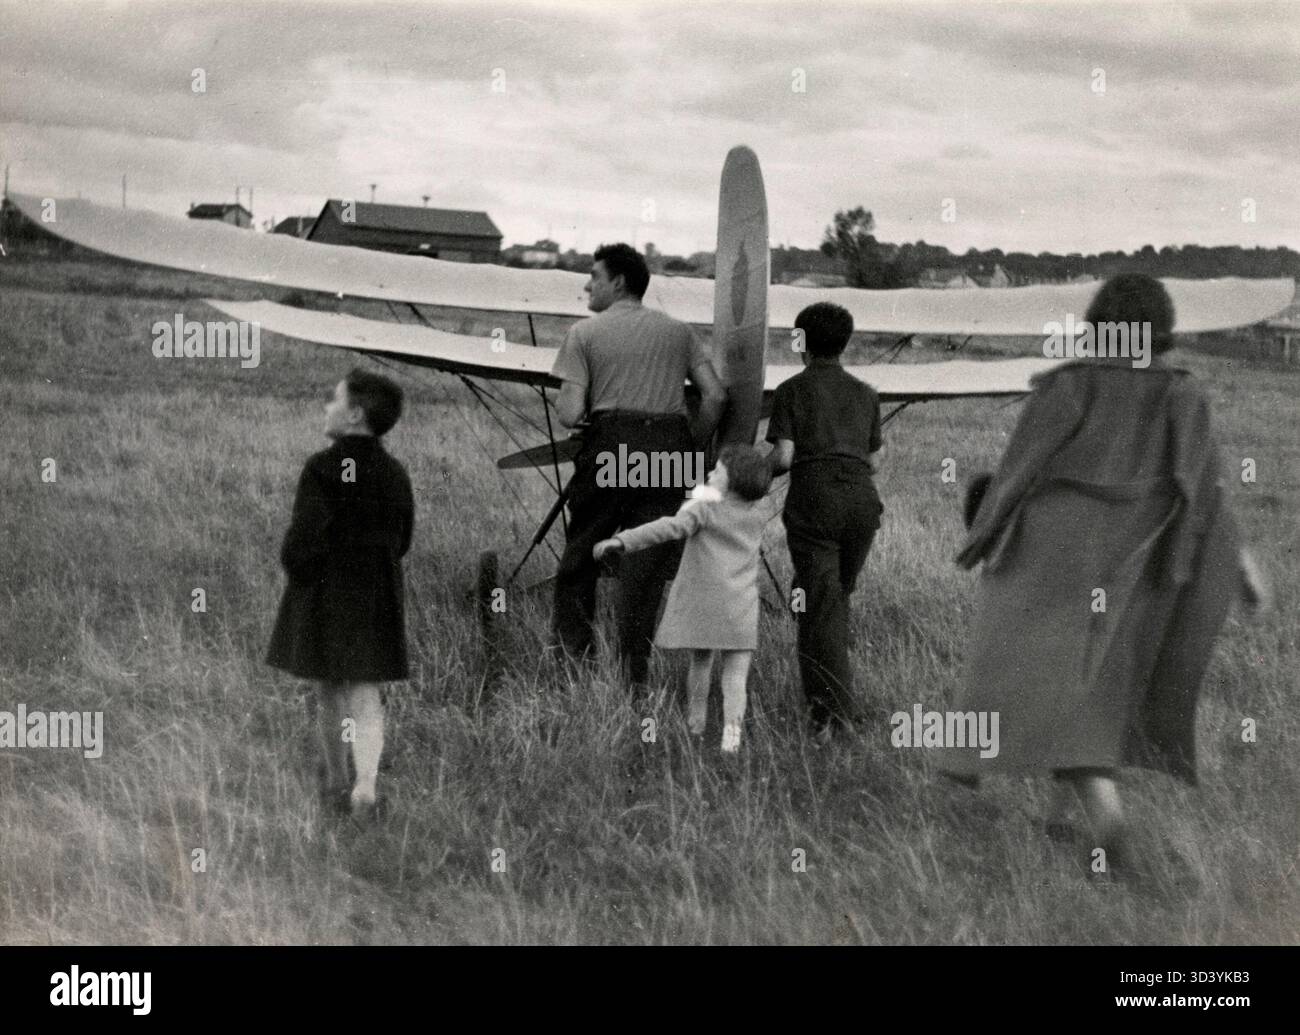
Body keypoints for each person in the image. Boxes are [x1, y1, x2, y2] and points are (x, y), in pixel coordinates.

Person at [940, 273, 1270, 873]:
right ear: (1162, 327)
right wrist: (1236, 564)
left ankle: (1110, 831)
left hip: (1049, 556)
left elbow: (1019, 468)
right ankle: (1066, 821)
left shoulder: (1069, 385)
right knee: (1086, 690)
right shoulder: (1181, 392)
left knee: (1030, 680)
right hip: (1129, 566)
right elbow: (1204, 487)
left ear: (1099, 322)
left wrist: (982, 538)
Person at [550, 242, 726, 690]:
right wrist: (693, 444)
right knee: (645, 565)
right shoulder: (679, 332)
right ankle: (634, 676)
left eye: (594, 275)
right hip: (669, 449)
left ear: (618, 282)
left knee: (582, 553)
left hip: (613, 445)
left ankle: (574, 665)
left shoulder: (584, 334)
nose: (587, 285)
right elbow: (715, 396)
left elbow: (569, 414)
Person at [266, 368, 415, 822]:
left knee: (329, 688)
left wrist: (298, 570)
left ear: (354, 414)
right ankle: (365, 786)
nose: (325, 407)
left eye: (332, 399)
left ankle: (335, 783)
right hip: (374, 590)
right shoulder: (394, 471)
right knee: (366, 691)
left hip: (326, 590)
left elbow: (304, 536)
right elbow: (403, 537)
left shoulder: (321, 466)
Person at [593, 445, 774, 752]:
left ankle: (696, 724)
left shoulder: (704, 507)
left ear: (731, 480)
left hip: (704, 602)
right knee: (735, 677)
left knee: (700, 663)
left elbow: (670, 526)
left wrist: (623, 540)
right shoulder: (759, 510)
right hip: (740, 606)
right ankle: (732, 737)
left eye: (717, 471)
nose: (710, 474)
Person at [766, 302, 884, 744]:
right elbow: (873, 461)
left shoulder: (791, 390)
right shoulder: (867, 393)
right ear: (845, 341)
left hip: (815, 502)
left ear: (802, 343)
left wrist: (744, 475)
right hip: (861, 503)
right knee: (832, 600)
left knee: (820, 607)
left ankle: (832, 718)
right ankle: (831, 706)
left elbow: (783, 457)